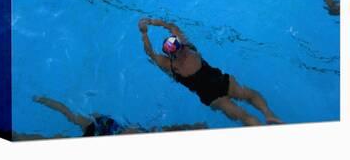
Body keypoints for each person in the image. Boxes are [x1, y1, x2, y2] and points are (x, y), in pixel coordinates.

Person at [138, 18, 282, 127]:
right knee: (248, 95)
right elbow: (171, 26)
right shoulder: (188, 47)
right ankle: (269, 114)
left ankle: (264, 126)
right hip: (220, 81)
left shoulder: (171, 65)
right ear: (179, 45)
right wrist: (151, 22)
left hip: (211, 96)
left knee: (244, 116)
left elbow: (151, 53)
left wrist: (144, 33)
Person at [34, 96, 207, 137]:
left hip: (102, 127)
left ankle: (41, 99)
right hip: (103, 127)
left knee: (69, 114)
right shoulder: (94, 124)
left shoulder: (93, 123)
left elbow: (65, 110)